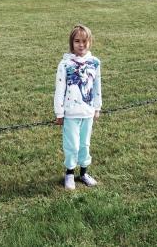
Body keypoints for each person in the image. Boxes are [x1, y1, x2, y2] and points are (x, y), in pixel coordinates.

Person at [54, 24, 102, 190]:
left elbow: (97, 87)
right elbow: (60, 90)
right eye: (77, 41)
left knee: (84, 144)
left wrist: (97, 107)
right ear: (71, 43)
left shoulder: (94, 63)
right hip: (71, 114)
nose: (81, 44)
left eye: (85, 41)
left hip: (87, 113)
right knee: (72, 145)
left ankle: (83, 173)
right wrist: (59, 112)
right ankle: (69, 173)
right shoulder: (65, 64)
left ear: (90, 42)